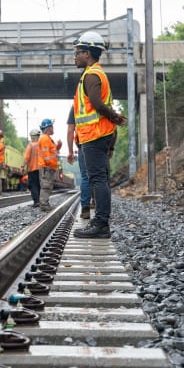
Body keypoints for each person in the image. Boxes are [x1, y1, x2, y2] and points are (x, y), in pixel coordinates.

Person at [70, 31, 126, 238]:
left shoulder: (92, 75)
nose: (75, 56)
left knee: (98, 179)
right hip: (95, 135)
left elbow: (96, 103)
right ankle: (100, 222)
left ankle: (101, 224)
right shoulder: (94, 73)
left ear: (87, 53)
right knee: (99, 178)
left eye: (77, 52)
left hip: (95, 135)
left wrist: (114, 117)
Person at [66, 107, 92, 219]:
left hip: (84, 143)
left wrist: (71, 152)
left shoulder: (76, 105)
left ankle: (85, 209)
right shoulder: (100, 99)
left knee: (85, 177)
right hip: (100, 143)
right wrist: (110, 148)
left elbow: (70, 130)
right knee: (100, 176)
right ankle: (101, 210)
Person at [36, 118, 62, 211]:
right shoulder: (45, 139)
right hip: (47, 167)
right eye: (52, 126)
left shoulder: (48, 139)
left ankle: (45, 203)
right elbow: (46, 156)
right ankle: (44, 205)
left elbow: (53, 152)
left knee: (48, 186)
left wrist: (58, 146)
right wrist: (50, 165)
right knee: (46, 186)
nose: (53, 128)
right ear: (48, 127)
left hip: (49, 167)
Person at [23, 128, 41, 207]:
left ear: (32, 137)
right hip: (41, 169)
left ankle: (36, 202)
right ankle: (40, 201)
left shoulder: (30, 145)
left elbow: (26, 157)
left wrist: (22, 166)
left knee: (33, 185)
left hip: (32, 169)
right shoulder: (41, 144)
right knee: (39, 185)